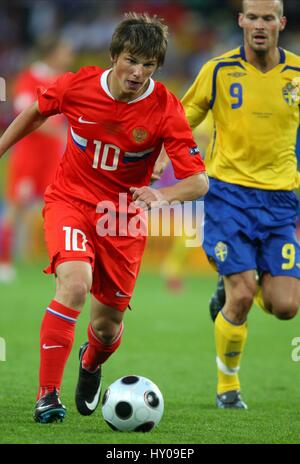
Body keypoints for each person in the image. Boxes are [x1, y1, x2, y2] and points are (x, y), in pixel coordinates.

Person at [0, 13, 208, 423]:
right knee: (75, 285)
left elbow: (198, 183)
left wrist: (161, 193)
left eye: (148, 65)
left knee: (108, 327)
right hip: (71, 202)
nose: (138, 72)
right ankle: (48, 396)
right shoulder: (78, 85)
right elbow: (37, 111)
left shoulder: (165, 108)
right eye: (131, 60)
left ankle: (91, 363)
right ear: (115, 55)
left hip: (123, 219)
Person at [182, 0, 300, 409]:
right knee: (244, 296)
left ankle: (233, 286)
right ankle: (228, 387)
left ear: (281, 23)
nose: (260, 25)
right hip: (228, 196)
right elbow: (184, 117)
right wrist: (165, 157)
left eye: (269, 18)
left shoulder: (298, 74)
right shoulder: (217, 70)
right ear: (241, 21)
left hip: (281, 201)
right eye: (253, 17)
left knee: (286, 307)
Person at [0, 37, 74, 282]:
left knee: (56, 208)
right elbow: (24, 115)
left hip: (53, 157)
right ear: (52, 53)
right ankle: (3, 262)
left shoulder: (64, 80)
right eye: (65, 51)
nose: (69, 56)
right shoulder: (30, 78)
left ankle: (59, 262)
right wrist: (60, 132)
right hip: (29, 156)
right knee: (15, 208)